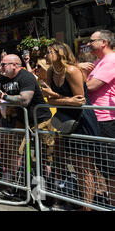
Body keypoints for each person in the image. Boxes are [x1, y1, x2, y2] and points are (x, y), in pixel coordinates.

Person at [42, 41, 100, 210]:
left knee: (85, 165)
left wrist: (57, 98)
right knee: (75, 162)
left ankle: (87, 207)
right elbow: (51, 100)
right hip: (65, 120)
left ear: (60, 54)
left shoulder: (72, 71)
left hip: (82, 120)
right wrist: (61, 99)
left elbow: (79, 101)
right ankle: (80, 202)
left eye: (49, 52)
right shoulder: (51, 71)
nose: (45, 55)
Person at [0, 54, 54, 197]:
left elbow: (25, 100)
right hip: (22, 121)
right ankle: (22, 190)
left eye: (3, 64)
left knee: (42, 158)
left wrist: (4, 97)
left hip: (41, 120)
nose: (0, 67)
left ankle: (42, 195)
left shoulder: (26, 76)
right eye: (1, 64)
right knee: (20, 155)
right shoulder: (1, 78)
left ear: (15, 65)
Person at [85, 30, 115, 207]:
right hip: (97, 117)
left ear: (104, 42)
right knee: (103, 163)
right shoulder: (99, 62)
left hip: (107, 118)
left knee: (110, 164)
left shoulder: (111, 60)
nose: (88, 44)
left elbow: (92, 86)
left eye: (92, 41)